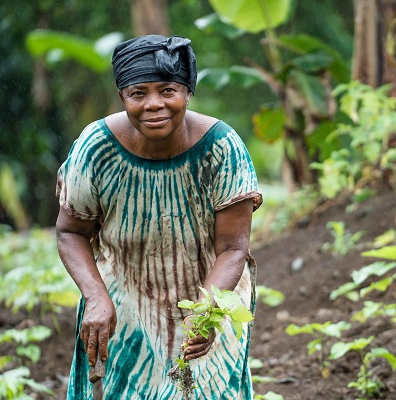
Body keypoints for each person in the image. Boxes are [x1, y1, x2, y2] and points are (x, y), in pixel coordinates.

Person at [55, 34, 262, 399]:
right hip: (123, 298)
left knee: (209, 390)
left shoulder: (222, 148)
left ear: (187, 93)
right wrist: (96, 298)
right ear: (122, 97)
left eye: (168, 90)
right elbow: (71, 232)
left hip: (209, 291)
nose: (154, 105)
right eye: (138, 93)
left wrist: (208, 312)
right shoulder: (96, 148)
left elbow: (232, 248)